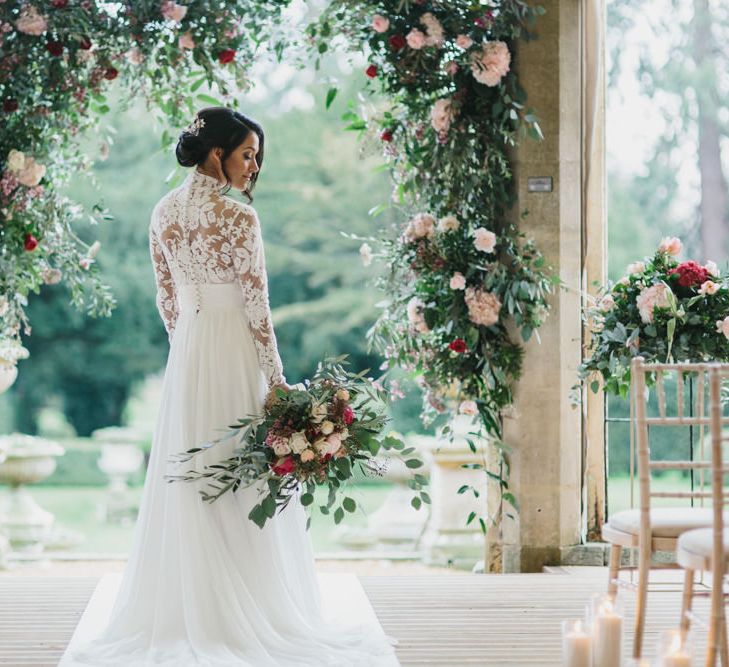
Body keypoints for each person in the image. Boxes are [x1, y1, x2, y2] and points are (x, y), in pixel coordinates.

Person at [70, 107, 397, 666]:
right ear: (216, 153)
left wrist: (188, 353)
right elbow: (257, 308)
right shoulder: (239, 217)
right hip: (236, 353)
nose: (254, 167)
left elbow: (167, 299)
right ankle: (253, 601)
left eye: (257, 158)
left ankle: (187, 604)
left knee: (196, 472)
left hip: (191, 354)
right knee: (243, 471)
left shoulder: (162, 212)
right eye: (248, 154)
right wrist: (276, 383)